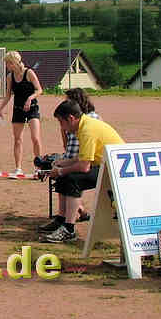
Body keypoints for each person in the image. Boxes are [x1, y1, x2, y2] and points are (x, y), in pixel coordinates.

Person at [39, 100, 124, 243]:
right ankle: (61, 220)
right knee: (65, 177)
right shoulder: (85, 125)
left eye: (61, 122)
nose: (62, 127)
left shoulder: (87, 130)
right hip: (107, 165)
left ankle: (69, 229)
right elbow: (84, 157)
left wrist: (60, 171)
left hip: (115, 170)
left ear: (71, 118)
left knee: (72, 179)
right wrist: (62, 163)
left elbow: (84, 167)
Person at [0, 51, 43, 178]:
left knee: (35, 138)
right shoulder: (10, 77)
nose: (7, 66)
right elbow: (8, 95)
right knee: (17, 140)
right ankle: (18, 168)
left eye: (8, 63)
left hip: (32, 108)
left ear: (14, 62)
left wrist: (30, 98)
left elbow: (39, 89)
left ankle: (38, 168)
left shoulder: (29, 73)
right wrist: (0, 110)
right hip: (18, 109)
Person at [59, 88, 100, 223]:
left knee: (71, 180)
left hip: (90, 159)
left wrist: (62, 169)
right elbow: (66, 142)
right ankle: (66, 216)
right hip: (76, 155)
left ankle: (69, 223)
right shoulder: (72, 121)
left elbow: (84, 164)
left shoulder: (89, 121)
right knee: (64, 181)